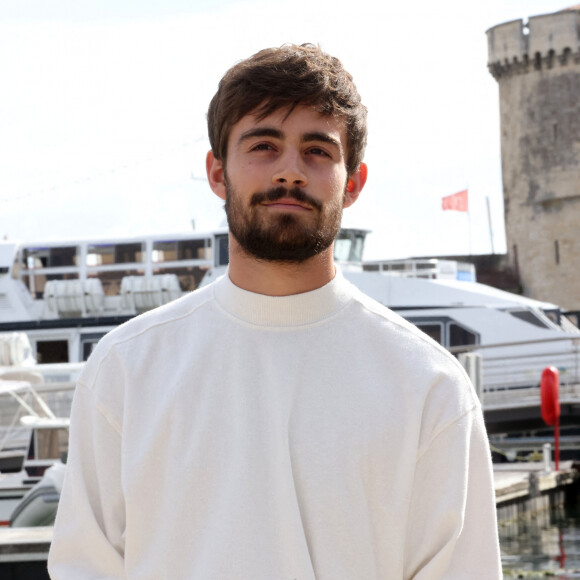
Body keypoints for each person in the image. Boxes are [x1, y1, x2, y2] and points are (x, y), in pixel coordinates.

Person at [48, 43, 501, 579]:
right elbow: (86, 568)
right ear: (218, 173)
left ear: (352, 183)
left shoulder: (429, 385)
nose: (290, 172)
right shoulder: (127, 367)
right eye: (264, 145)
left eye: (317, 151)